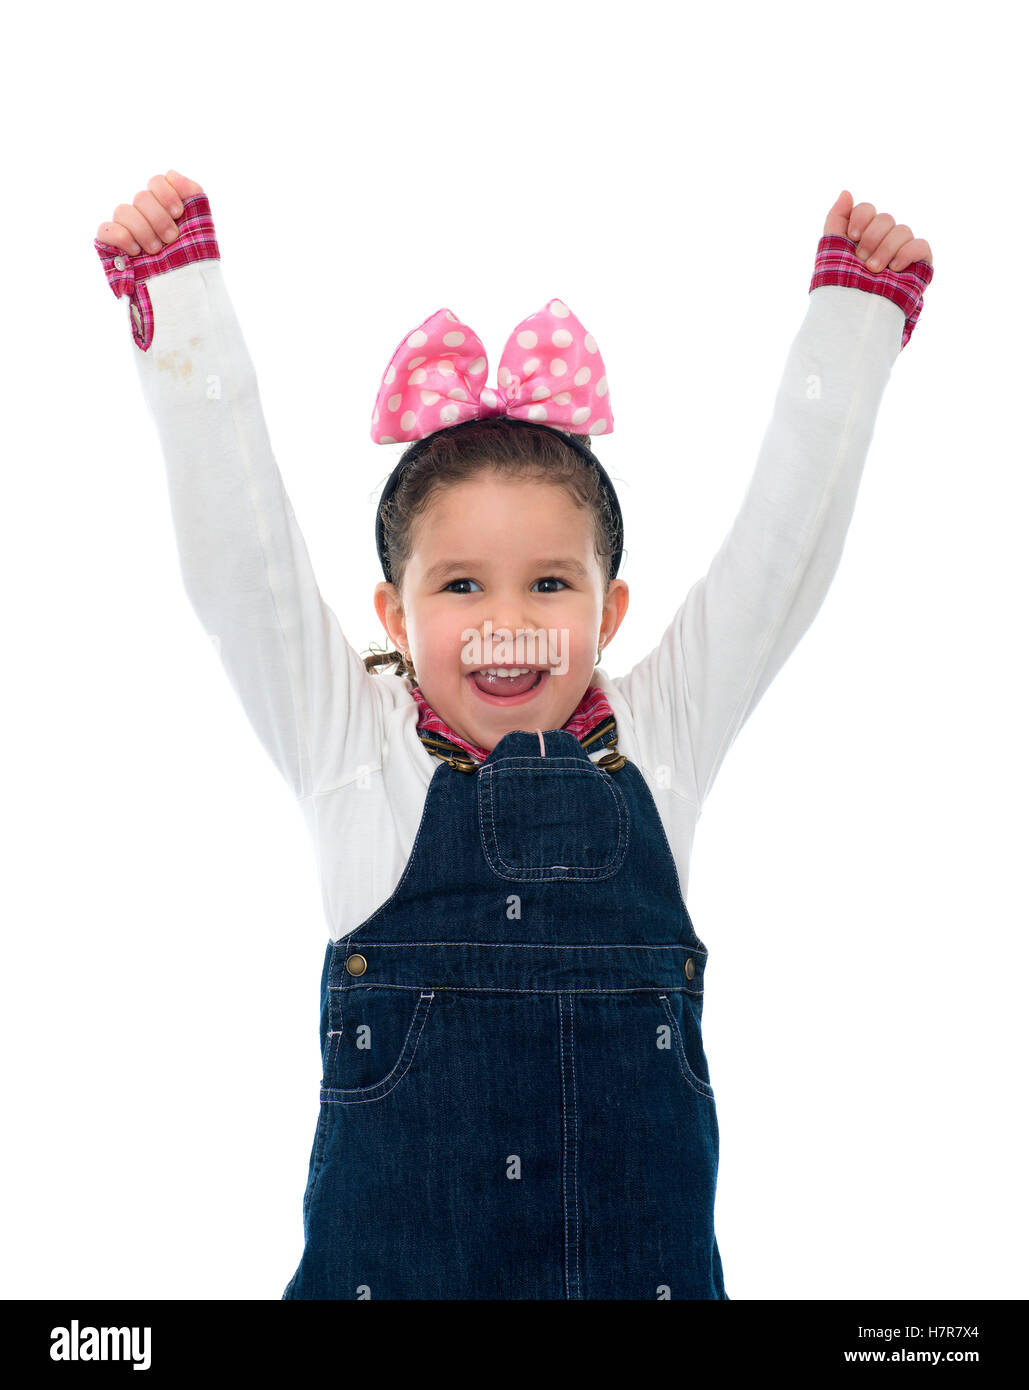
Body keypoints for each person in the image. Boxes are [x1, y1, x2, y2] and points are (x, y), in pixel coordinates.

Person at [94, 173, 933, 1301]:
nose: (506, 621)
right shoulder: (355, 753)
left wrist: (856, 316)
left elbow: (778, 557)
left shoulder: (660, 740)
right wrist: (181, 300)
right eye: (458, 584)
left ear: (609, 612)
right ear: (393, 615)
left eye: (549, 583)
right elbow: (243, 564)